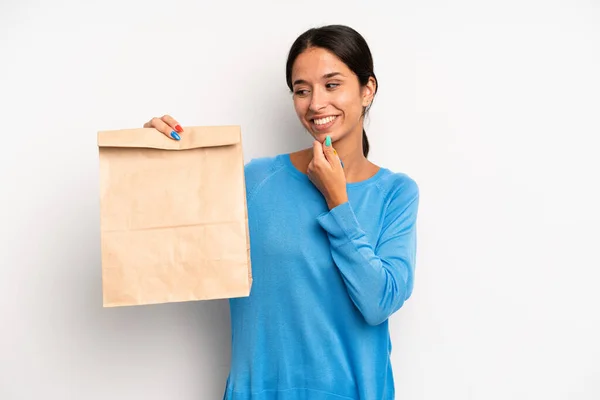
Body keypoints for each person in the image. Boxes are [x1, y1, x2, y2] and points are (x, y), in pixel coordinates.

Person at [143, 24, 419, 400]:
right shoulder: (256, 180)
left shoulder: (395, 193)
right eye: (302, 90)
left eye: (332, 84)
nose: (316, 103)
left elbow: (379, 303)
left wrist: (338, 202)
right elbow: (168, 243)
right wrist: (152, 159)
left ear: (367, 89)